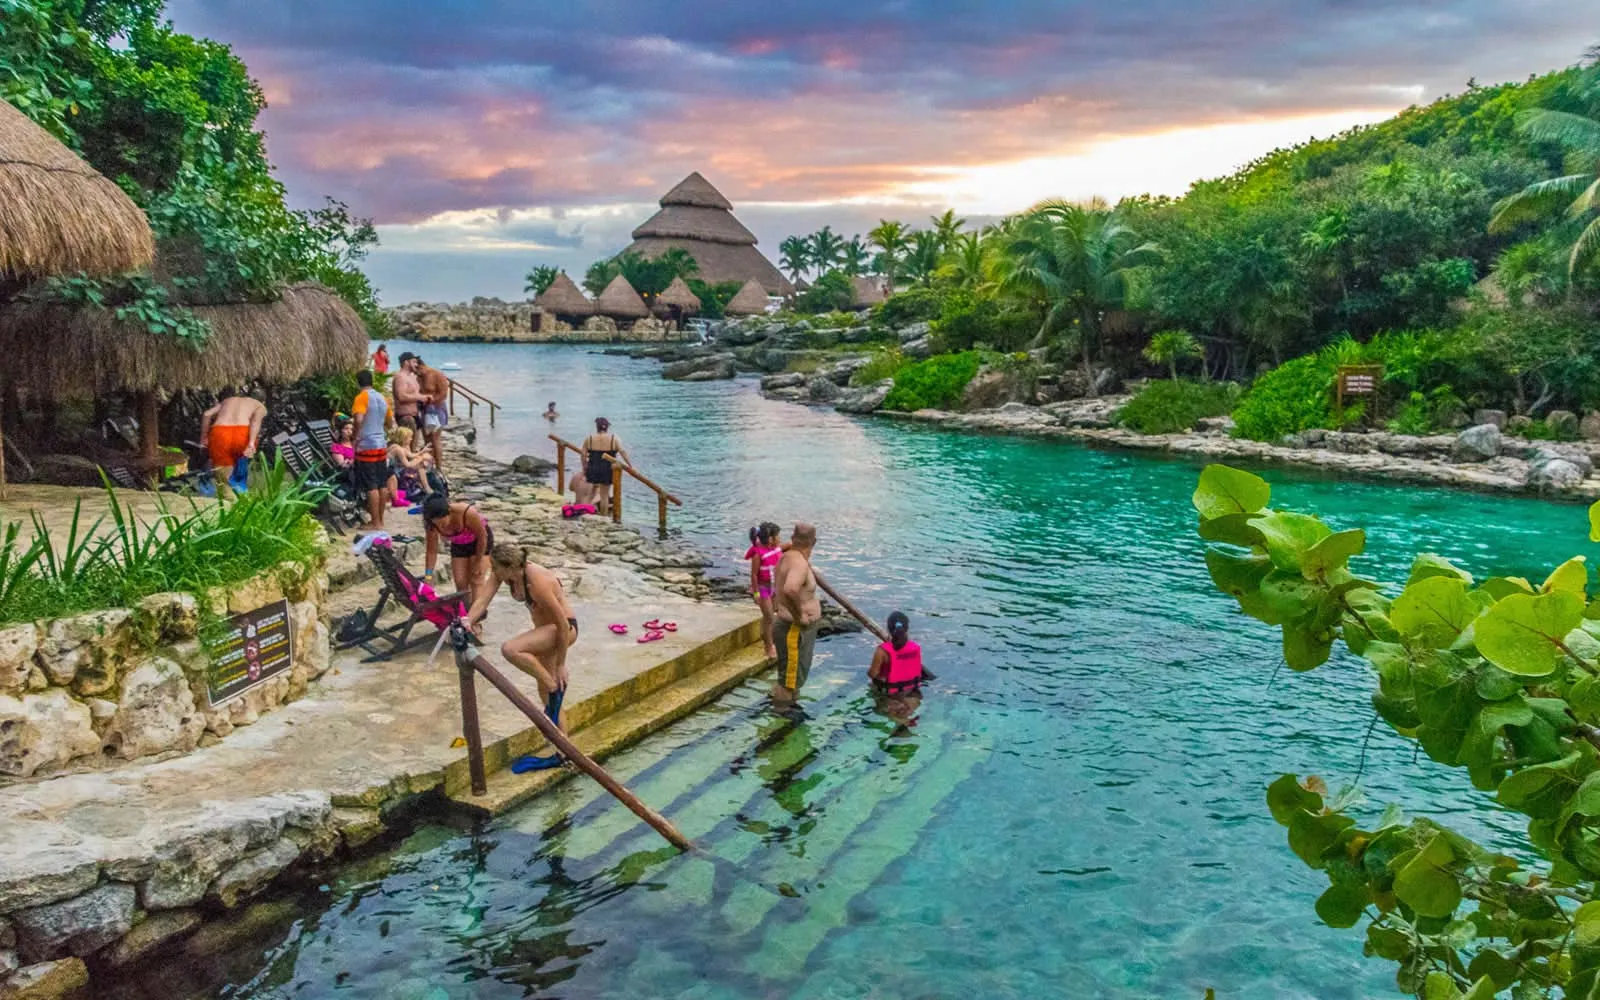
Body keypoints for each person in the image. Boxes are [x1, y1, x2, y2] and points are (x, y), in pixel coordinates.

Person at [468, 543, 578, 773]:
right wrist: (467, 620)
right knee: (547, 698)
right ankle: (564, 752)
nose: (493, 573)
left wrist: (560, 665)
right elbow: (482, 601)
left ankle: (553, 686)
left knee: (511, 649)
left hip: (562, 631)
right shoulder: (506, 575)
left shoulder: (537, 582)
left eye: (495, 569)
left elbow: (562, 624)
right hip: (545, 631)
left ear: (509, 567)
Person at [772, 522, 821, 704]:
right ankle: (782, 714)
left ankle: (789, 709)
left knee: (791, 679)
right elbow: (790, 589)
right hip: (793, 628)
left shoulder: (786, 557)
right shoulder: (799, 563)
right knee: (788, 682)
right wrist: (800, 615)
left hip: (790, 627)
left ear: (793, 539)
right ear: (814, 542)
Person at [421, 493, 493, 604]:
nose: (441, 527)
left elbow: (483, 537)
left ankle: (476, 617)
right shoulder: (431, 525)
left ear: (449, 512)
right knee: (460, 582)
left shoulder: (466, 512)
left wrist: (478, 562)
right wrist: (428, 576)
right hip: (459, 543)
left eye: (443, 522)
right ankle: (466, 613)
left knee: (476, 579)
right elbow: (431, 552)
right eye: (437, 523)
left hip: (479, 541)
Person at [199, 387, 266, 499]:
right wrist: (251, 443)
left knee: (222, 475)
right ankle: (240, 493)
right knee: (240, 464)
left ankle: (227, 498)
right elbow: (255, 423)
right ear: (263, 401)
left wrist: (204, 437)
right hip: (242, 432)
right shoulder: (260, 406)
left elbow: (206, 414)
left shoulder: (229, 400)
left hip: (220, 432)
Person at [351, 369, 392, 531]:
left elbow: (359, 418)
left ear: (358, 383)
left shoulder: (361, 398)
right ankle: (380, 520)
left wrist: (356, 435)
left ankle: (375, 522)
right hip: (381, 443)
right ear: (372, 381)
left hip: (366, 445)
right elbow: (390, 422)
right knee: (382, 483)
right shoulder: (382, 398)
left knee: (371, 485)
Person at [744, 523, 784, 660]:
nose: (780, 538)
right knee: (769, 617)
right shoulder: (757, 554)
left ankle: (765, 636)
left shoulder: (777, 549)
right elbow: (754, 575)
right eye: (778, 536)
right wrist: (756, 594)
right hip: (763, 589)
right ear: (771, 539)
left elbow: (787, 548)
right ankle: (769, 646)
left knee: (772, 615)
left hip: (774, 587)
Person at [581, 418, 630, 516]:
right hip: (607, 469)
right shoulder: (613, 438)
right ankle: (604, 517)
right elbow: (622, 452)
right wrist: (630, 465)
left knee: (591, 493)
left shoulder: (589, 438)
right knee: (604, 496)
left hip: (593, 467)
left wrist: (585, 467)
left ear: (596, 427)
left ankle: (583, 512)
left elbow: (583, 454)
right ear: (607, 427)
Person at [415, 357, 451, 470]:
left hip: (437, 409)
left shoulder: (437, 374)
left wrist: (430, 400)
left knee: (435, 438)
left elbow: (444, 394)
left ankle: (439, 466)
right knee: (426, 438)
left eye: (417, 371)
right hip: (424, 409)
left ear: (421, 366)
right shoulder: (418, 377)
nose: (416, 374)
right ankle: (430, 464)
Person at [387, 426, 434, 503]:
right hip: (394, 472)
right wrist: (421, 458)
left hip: (398, 469)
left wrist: (423, 451)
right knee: (419, 466)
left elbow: (412, 455)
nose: (411, 439)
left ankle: (426, 487)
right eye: (409, 438)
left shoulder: (401, 446)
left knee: (420, 462)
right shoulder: (398, 449)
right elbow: (407, 465)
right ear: (404, 438)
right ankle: (427, 488)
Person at [392, 352, 424, 449]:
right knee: (406, 447)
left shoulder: (412, 377)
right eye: (414, 362)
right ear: (406, 362)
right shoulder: (400, 377)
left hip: (415, 415)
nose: (416, 364)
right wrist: (419, 397)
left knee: (414, 447)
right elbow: (401, 397)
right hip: (406, 417)